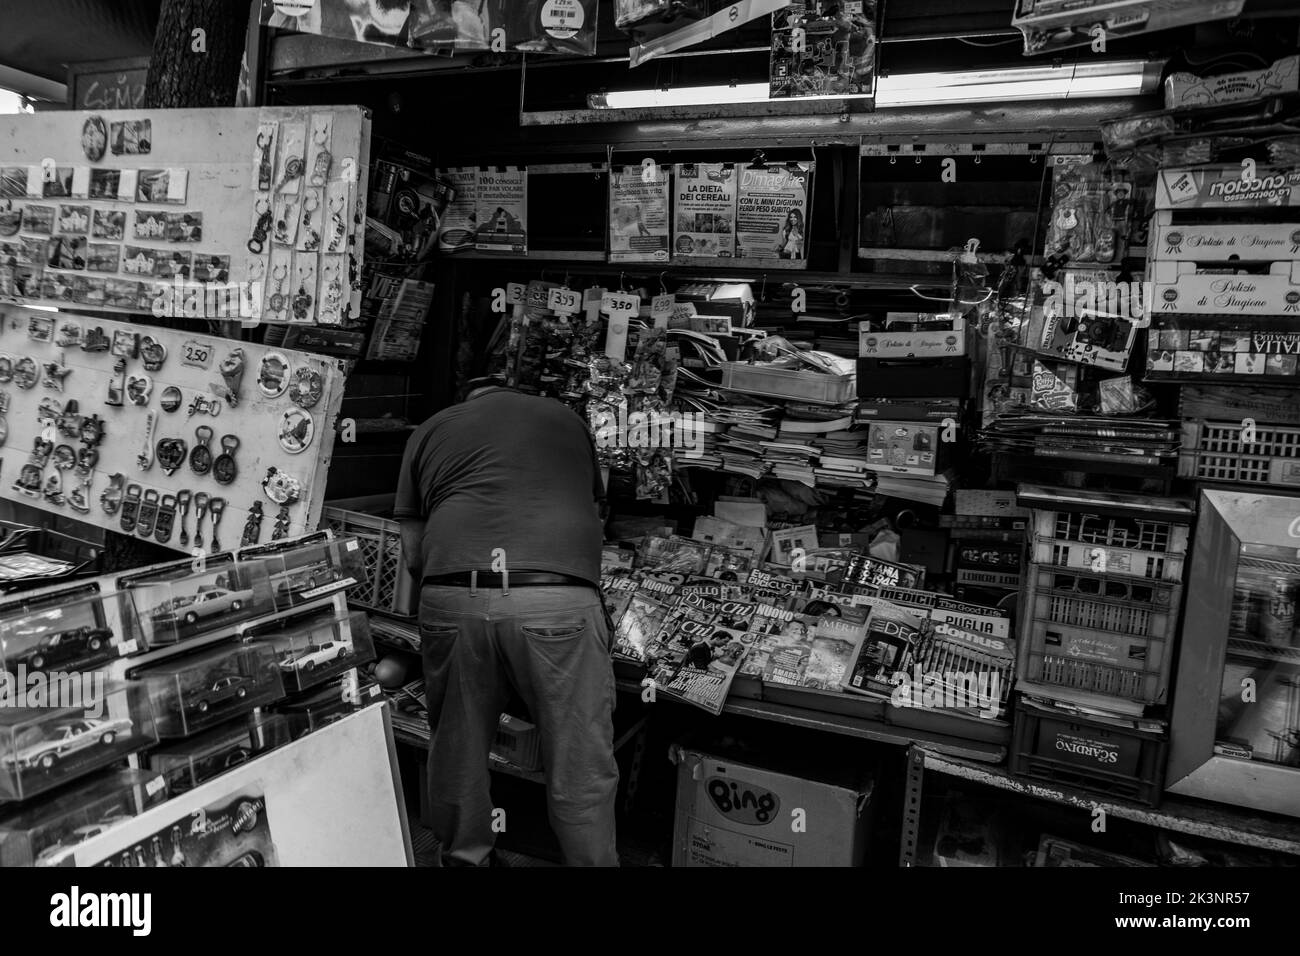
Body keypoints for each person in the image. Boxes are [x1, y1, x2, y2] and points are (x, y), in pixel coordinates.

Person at [396, 377, 618, 867]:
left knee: (456, 745)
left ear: (467, 400)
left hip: (454, 597)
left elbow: (413, 551)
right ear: (514, 392)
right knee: (579, 756)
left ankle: (466, 857)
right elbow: (595, 511)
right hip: (554, 599)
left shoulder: (430, 429)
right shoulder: (566, 418)